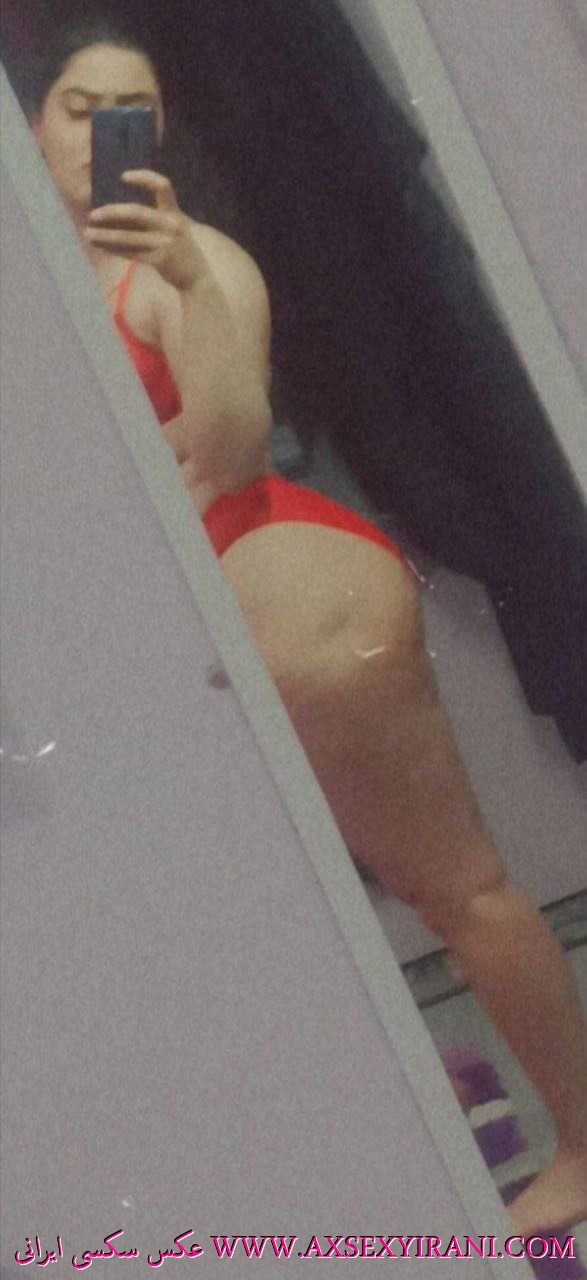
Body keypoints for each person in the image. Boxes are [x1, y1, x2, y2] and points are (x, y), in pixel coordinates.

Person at [27, 15, 587, 1234]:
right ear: (33, 126)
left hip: (303, 602)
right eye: (78, 109)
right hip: (225, 637)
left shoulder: (193, 266)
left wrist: (188, 280)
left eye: (131, 110)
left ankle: (585, 1141)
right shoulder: (49, 300)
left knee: (458, 889)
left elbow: (230, 448)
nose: (103, 135)